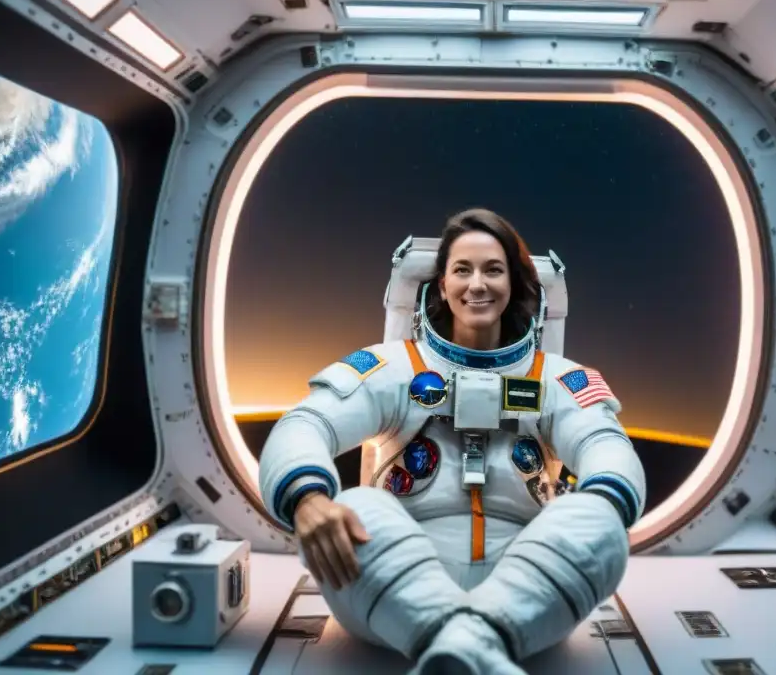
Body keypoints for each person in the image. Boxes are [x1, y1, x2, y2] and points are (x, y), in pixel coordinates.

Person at [258, 208, 646, 675]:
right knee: (359, 508)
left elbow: (607, 445)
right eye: (462, 270)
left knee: (599, 514)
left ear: (514, 284)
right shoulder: (394, 368)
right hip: (393, 581)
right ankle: (484, 650)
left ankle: (453, 651)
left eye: (493, 270)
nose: (477, 284)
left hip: (528, 586)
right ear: (440, 285)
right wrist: (306, 500)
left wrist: (603, 501)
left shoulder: (559, 380)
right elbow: (304, 424)